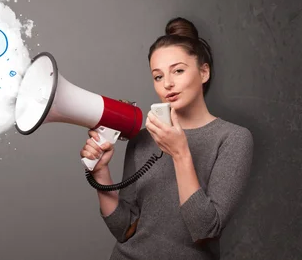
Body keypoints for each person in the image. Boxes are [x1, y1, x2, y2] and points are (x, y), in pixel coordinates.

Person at [80, 17, 254, 259]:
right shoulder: (142, 140)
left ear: (204, 72)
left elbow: (205, 230)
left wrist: (181, 153)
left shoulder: (233, 139)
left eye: (178, 71)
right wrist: (101, 174)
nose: (168, 84)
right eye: (158, 76)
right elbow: (124, 230)